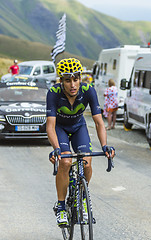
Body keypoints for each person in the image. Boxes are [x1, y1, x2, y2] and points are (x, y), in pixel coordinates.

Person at [46, 58, 115, 227]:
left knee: (86, 162)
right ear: (61, 81)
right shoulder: (54, 93)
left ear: (80, 79)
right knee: (66, 161)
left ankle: (82, 199)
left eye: (75, 79)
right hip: (60, 129)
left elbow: (99, 122)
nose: (72, 85)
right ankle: (61, 206)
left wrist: (105, 145)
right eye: (68, 80)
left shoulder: (88, 90)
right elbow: (50, 126)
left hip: (78, 128)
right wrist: (56, 149)